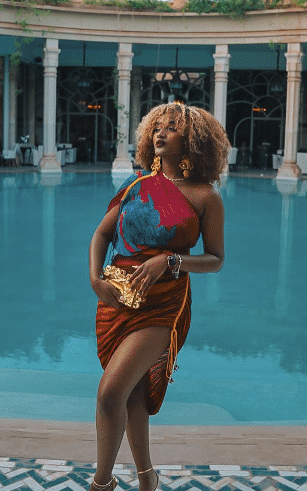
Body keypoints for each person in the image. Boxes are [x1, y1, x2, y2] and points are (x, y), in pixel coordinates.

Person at [86, 102, 227, 491]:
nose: (159, 133)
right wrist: (96, 280)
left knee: (110, 392)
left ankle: (101, 483)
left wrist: (172, 260)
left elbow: (215, 260)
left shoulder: (205, 197)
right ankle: (148, 478)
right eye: (156, 128)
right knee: (132, 393)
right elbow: (101, 235)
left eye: (171, 128)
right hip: (115, 300)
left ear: (193, 142)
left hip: (163, 305)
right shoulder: (134, 184)